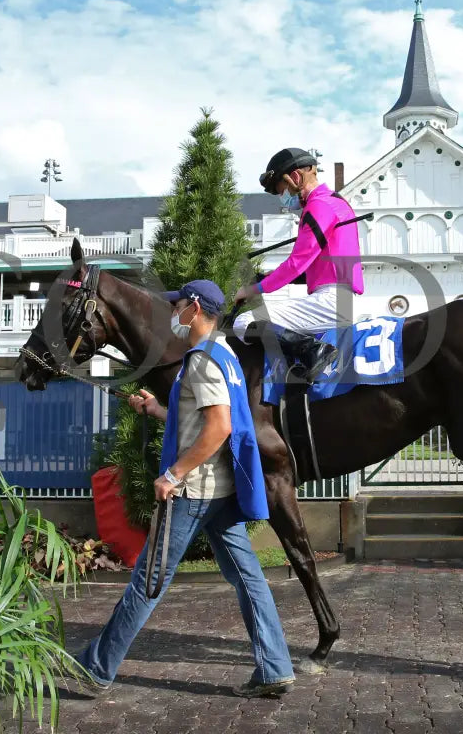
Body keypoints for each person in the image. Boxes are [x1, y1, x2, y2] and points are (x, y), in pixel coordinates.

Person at [77, 279, 295, 698]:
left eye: (179, 305)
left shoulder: (202, 361)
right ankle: (274, 667)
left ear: (195, 308)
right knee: (248, 579)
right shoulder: (224, 353)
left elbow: (219, 428)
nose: (174, 312)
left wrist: (173, 474)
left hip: (195, 492)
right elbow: (202, 423)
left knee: (147, 581)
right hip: (222, 492)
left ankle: (98, 667)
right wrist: (157, 408)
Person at [232, 147, 364, 381]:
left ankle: (314, 351)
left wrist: (252, 290)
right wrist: (267, 277)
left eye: (281, 191)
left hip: (330, 301)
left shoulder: (319, 206)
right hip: (338, 296)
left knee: (244, 322)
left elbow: (296, 264)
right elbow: (315, 268)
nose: (283, 198)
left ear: (294, 178)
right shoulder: (335, 202)